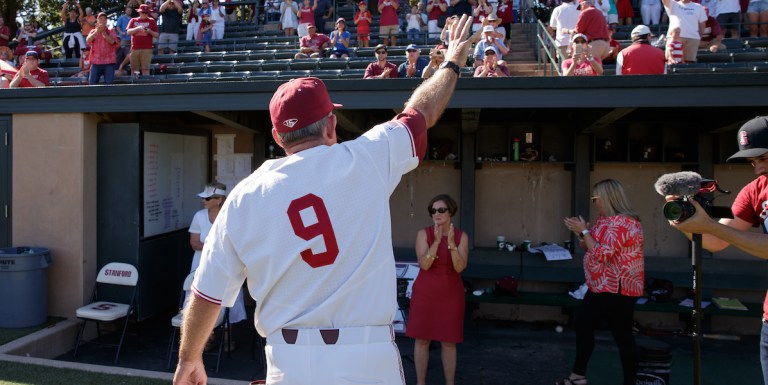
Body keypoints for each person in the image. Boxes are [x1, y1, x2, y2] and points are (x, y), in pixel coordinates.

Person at [172, 14, 478, 385]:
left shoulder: (243, 196)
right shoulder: (367, 157)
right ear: (331, 124)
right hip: (369, 357)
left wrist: (189, 358)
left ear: (277, 136)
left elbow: (206, 294)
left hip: (290, 361)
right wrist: (451, 63)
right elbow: (421, 112)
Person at [663, 116, 768, 384]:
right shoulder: (756, 190)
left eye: (763, 158)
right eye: (752, 161)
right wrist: (684, 224)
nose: (757, 168)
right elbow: (715, 241)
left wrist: (710, 225)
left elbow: (718, 231)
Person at [561, 178, 644, 385]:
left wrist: (585, 232)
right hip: (599, 284)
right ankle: (578, 376)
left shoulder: (625, 222)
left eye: (595, 197)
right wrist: (582, 234)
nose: (593, 201)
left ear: (607, 198)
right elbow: (590, 247)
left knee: (622, 335)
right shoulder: (603, 220)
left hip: (619, 287)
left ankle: (630, 382)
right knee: (583, 323)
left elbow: (602, 253)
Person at [406, 194, 469, 385]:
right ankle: (420, 383)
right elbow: (424, 265)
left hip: (451, 294)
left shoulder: (461, 236)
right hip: (425, 293)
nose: (436, 213)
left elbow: (460, 267)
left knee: (449, 342)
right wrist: (435, 242)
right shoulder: (423, 234)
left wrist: (450, 244)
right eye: (433, 210)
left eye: (441, 210)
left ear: (451, 212)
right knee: (422, 340)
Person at [186, 182, 247, 353]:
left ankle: (228, 336)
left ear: (219, 200)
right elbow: (194, 243)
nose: (204, 201)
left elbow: (238, 243)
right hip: (201, 264)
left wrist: (218, 249)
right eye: (204, 198)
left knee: (230, 299)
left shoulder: (231, 215)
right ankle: (208, 338)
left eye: (208, 198)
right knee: (201, 298)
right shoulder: (199, 216)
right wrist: (217, 248)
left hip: (227, 265)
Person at [86, 12, 119, 84]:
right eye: (100, 19)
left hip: (109, 62)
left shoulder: (111, 31)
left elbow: (112, 42)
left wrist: (104, 33)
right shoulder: (93, 31)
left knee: (109, 85)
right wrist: (96, 32)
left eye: (104, 19)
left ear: (106, 21)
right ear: (97, 20)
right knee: (92, 84)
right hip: (96, 62)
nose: (102, 21)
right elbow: (88, 40)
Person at [128, 3, 159, 76]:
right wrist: (137, 28)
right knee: (134, 70)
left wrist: (149, 31)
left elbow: (157, 35)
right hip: (134, 48)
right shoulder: (133, 20)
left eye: (146, 13)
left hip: (147, 48)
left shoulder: (151, 20)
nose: (145, 14)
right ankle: (134, 85)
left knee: (145, 69)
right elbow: (128, 32)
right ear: (139, 12)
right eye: (143, 12)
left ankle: (146, 85)